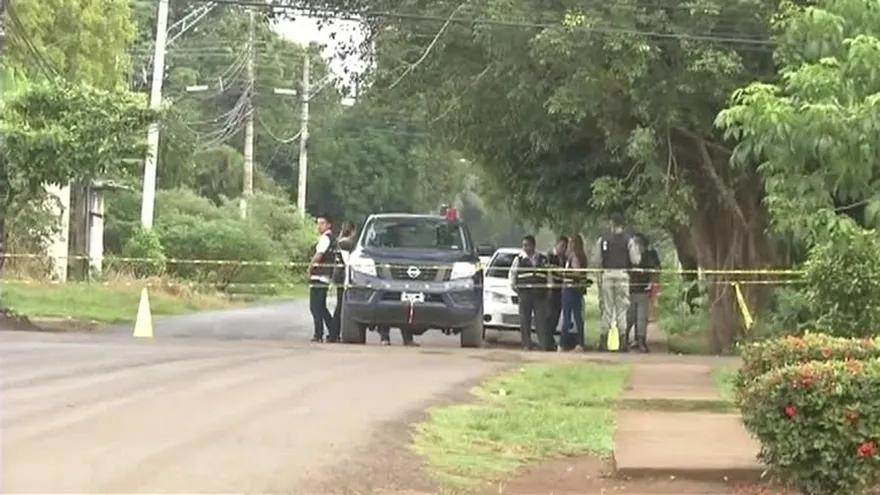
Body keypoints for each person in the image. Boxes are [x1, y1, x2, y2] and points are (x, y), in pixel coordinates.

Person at [590, 213, 642, 351]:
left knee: (607, 309)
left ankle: (603, 341)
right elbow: (636, 260)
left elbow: (596, 260)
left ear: (612, 224)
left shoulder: (603, 240)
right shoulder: (628, 240)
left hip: (607, 275)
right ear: (623, 225)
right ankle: (623, 342)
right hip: (623, 275)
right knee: (622, 309)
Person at [508, 235, 555, 351]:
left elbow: (548, 275)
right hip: (525, 294)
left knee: (541, 320)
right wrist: (515, 288)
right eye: (524, 245)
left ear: (533, 245)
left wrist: (549, 288)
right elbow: (512, 274)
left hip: (539, 294)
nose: (525, 248)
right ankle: (526, 344)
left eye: (527, 245)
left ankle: (543, 344)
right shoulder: (519, 259)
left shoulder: (542, 259)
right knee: (525, 320)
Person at [625, 233, 660, 353]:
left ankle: (641, 341)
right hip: (631, 289)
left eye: (636, 243)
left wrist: (653, 283)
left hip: (643, 289)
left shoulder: (649, 255)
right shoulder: (629, 255)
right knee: (630, 316)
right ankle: (624, 339)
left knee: (641, 317)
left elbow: (656, 269)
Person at [308, 213, 338, 343]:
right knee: (321, 306)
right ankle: (333, 331)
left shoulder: (325, 239)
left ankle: (319, 333)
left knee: (315, 306)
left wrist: (309, 267)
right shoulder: (332, 239)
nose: (319, 226)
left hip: (319, 275)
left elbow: (319, 255)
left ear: (328, 225)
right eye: (318, 223)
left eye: (322, 223)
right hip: (325, 275)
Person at [560, 234, 590, 351]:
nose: (569, 245)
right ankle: (580, 343)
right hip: (577, 289)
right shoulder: (581, 256)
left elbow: (577, 272)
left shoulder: (574, 256)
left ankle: (562, 344)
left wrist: (565, 273)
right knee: (578, 317)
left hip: (571, 289)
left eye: (571, 242)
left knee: (567, 317)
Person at [330, 221, 357, 342]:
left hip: (337, 274)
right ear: (352, 231)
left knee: (340, 304)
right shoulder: (347, 243)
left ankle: (334, 332)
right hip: (343, 276)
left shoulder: (338, 241)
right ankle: (334, 332)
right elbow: (347, 261)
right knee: (341, 305)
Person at [546, 236, 568, 338]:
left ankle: (550, 338)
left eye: (565, 247)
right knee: (550, 315)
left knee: (556, 315)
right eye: (562, 246)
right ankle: (547, 338)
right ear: (556, 244)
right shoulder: (549, 256)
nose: (563, 249)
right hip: (551, 290)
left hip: (560, 290)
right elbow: (548, 271)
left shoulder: (565, 259)